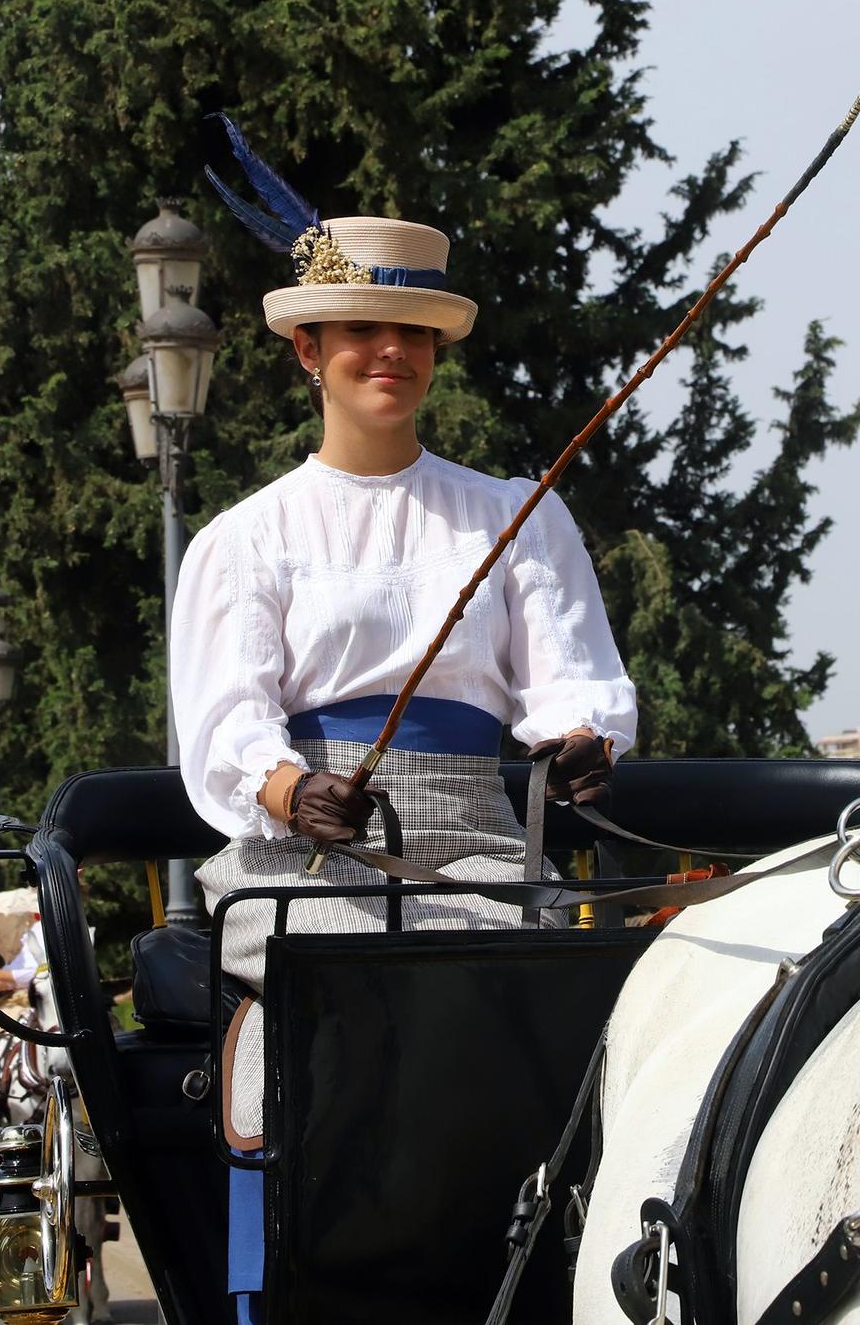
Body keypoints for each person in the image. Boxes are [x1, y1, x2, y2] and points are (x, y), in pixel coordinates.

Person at [177, 121, 638, 1322]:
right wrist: (289, 791)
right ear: (308, 354)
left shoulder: (515, 514)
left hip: (486, 847)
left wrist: (582, 744)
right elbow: (226, 719)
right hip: (307, 859)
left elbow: (576, 680)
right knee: (349, 981)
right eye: (363, 334)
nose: (391, 351)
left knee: (542, 991)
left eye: (413, 334)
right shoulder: (248, 538)